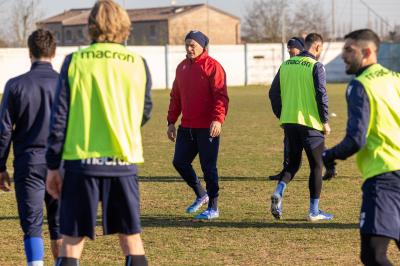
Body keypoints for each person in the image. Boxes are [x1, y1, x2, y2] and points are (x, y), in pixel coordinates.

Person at [45, 1, 152, 265]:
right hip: (122, 161)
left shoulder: (75, 61)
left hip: (82, 163)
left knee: (71, 240)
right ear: (125, 24)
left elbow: (59, 118)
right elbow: (145, 110)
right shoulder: (138, 63)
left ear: (90, 26)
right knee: (132, 239)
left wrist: (52, 166)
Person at [322, 29, 400, 265]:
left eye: (349, 49)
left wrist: (329, 155)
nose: (343, 55)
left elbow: (356, 139)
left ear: (366, 52)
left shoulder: (359, 85)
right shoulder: (395, 78)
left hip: (384, 177)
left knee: (374, 255)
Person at [0, 29, 61, 265]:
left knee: (32, 224)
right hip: (61, 164)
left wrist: (1, 166)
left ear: (29, 52)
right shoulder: (66, 84)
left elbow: (4, 130)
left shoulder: (15, 85)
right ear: (54, 52)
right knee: (59, 225)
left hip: (29, 164)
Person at [269, 33, 333, 221]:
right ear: (318, 47)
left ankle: (279, 191)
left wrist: (282, 114)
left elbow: (273, 93)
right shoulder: (316, 66)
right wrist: (325, 121)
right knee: (317, 166)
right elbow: (321, 94)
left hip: (289, 122)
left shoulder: (286, 65)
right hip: (310, 124)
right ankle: (314, 211)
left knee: (293, 164)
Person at [167, 30, 229, 220]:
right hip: (187, 126)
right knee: (179, 162)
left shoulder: (213, 67)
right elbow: (175, 97)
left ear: (203, 46)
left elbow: (221, 97)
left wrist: (218, 119)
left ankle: (214, 207)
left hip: (208, 127)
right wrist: (171, 121)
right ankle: (202, 194)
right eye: (187, 44)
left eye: (192, 45)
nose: (189, 48)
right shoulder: (181, 68)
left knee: (208, 167)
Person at [269, 37, 305, 181]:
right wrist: (281, 113)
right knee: (290, 143)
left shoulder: (309, 65)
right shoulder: (286, 66)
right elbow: (273, 92)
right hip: (291, 115)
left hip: (306, 115)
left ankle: (328, 166)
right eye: (288, 47)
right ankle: (286, 170)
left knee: (313, 143)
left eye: (292, 47)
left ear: (302, 48)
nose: (289, 50)